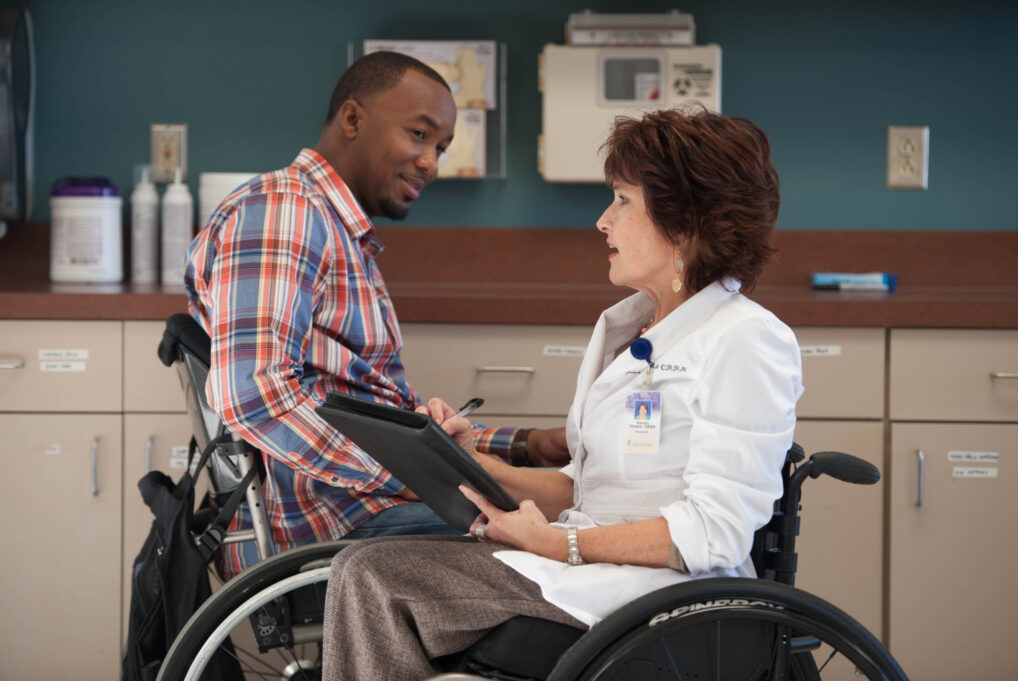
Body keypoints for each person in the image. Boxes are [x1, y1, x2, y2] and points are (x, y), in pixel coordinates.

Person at [320, 107, 804, 680]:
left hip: (661, 598)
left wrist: (559, 546)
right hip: (588, 567)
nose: (603, 221)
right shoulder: (631, 329)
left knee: (373, 578)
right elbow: (584, 485)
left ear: (685, 222)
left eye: (623, 200)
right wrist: (473, 466)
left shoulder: (745, 339)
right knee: (363, 566)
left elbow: (712, 532)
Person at [183, 51, 567, 579]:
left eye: (441, 147)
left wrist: (523, 445)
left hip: (359, 508)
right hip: (338, 522)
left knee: (578, 521)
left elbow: (386, 419)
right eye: (419, 135)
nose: (432, 162)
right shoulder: (284, 211)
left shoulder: (334, 229)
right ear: (354, 119)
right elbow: (254, 391)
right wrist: (405, 475)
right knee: (581, 539)